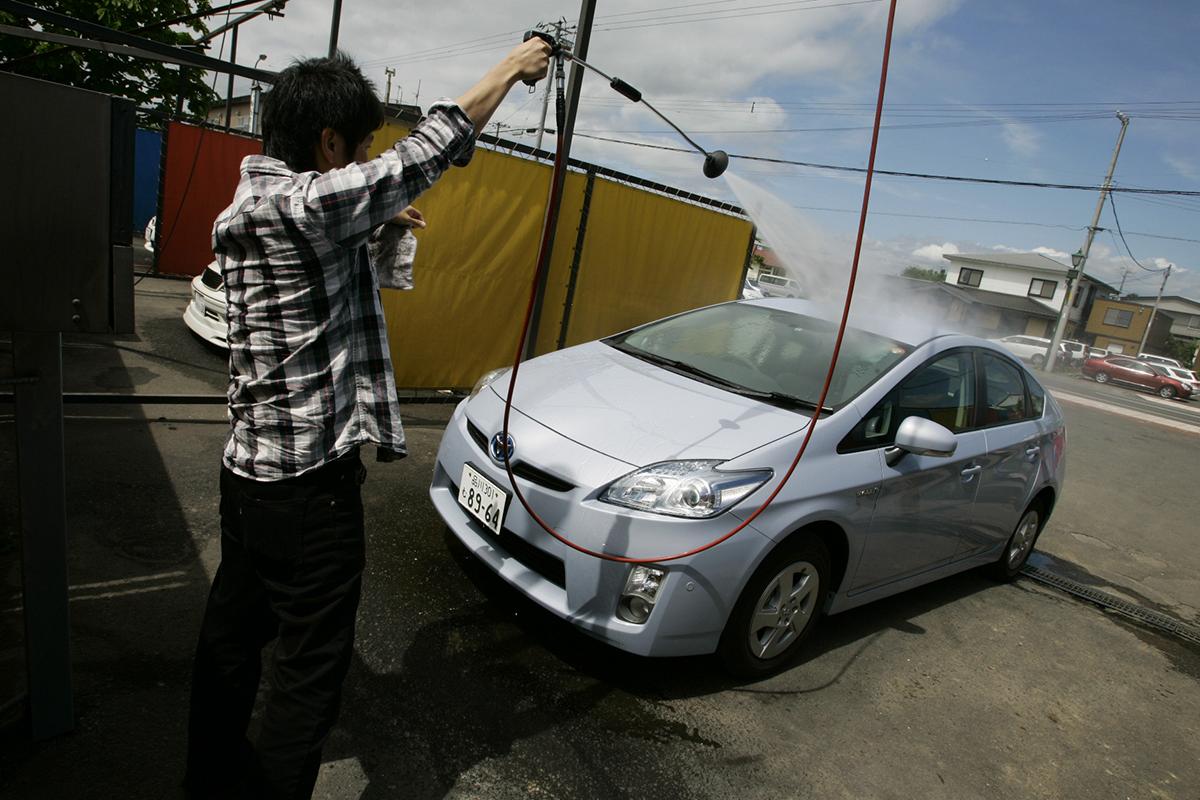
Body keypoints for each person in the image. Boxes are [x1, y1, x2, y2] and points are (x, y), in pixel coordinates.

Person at [184, 38, 551, 800]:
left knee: (231, 643)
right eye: (355, 150)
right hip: (312, 496)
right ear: (327, 143)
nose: (361, 163)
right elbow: (430, 146)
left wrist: (376, 223)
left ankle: (208, 781)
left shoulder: (249, 205)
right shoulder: (312, 204)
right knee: (307, 678)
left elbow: (336, 274)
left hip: (246, 479)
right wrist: (513, 67)